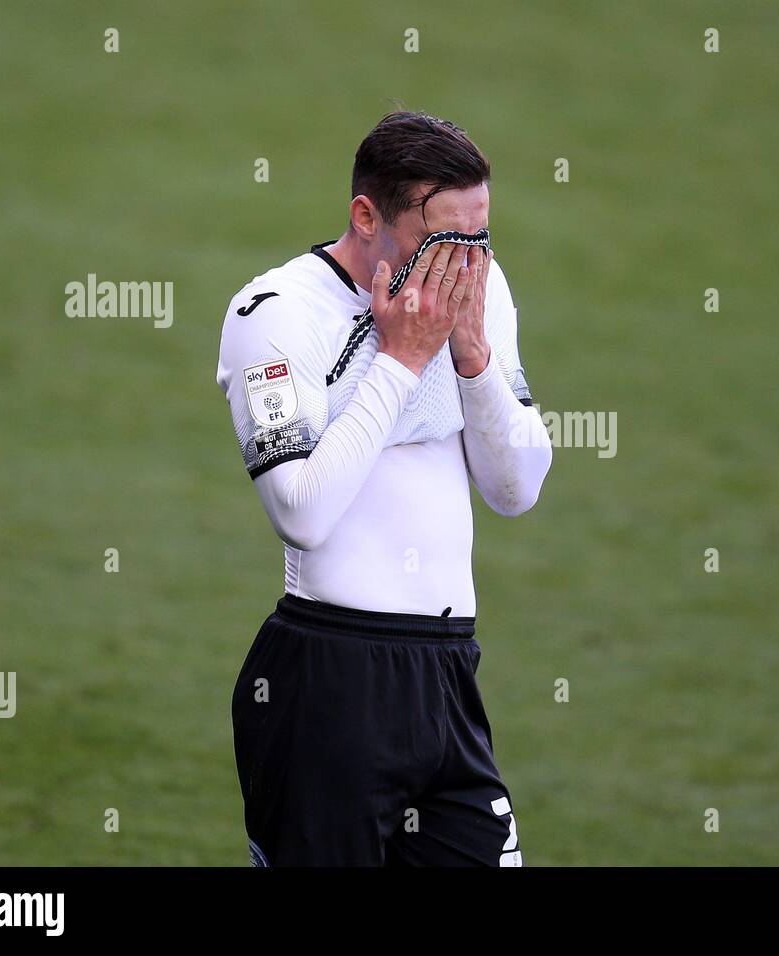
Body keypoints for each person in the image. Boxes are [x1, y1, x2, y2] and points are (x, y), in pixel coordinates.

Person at [215, 110, 552, 865]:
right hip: (329, 681)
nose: (466, 264)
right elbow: (300, 510)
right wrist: (400, 360)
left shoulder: (480, 288)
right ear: (367, 216)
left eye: (481, 237)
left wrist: (470, 355)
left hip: (447, 674)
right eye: (443, 239)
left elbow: (517, 488)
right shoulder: (273, 314)